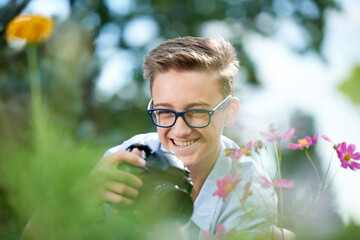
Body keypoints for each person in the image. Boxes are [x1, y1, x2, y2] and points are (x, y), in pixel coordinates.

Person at [91, 36, 279, 240]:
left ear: (230, 112)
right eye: (165, 111)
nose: (180, 130)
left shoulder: (250, 195)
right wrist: (86, 200)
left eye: (197, 112)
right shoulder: (131, 158)